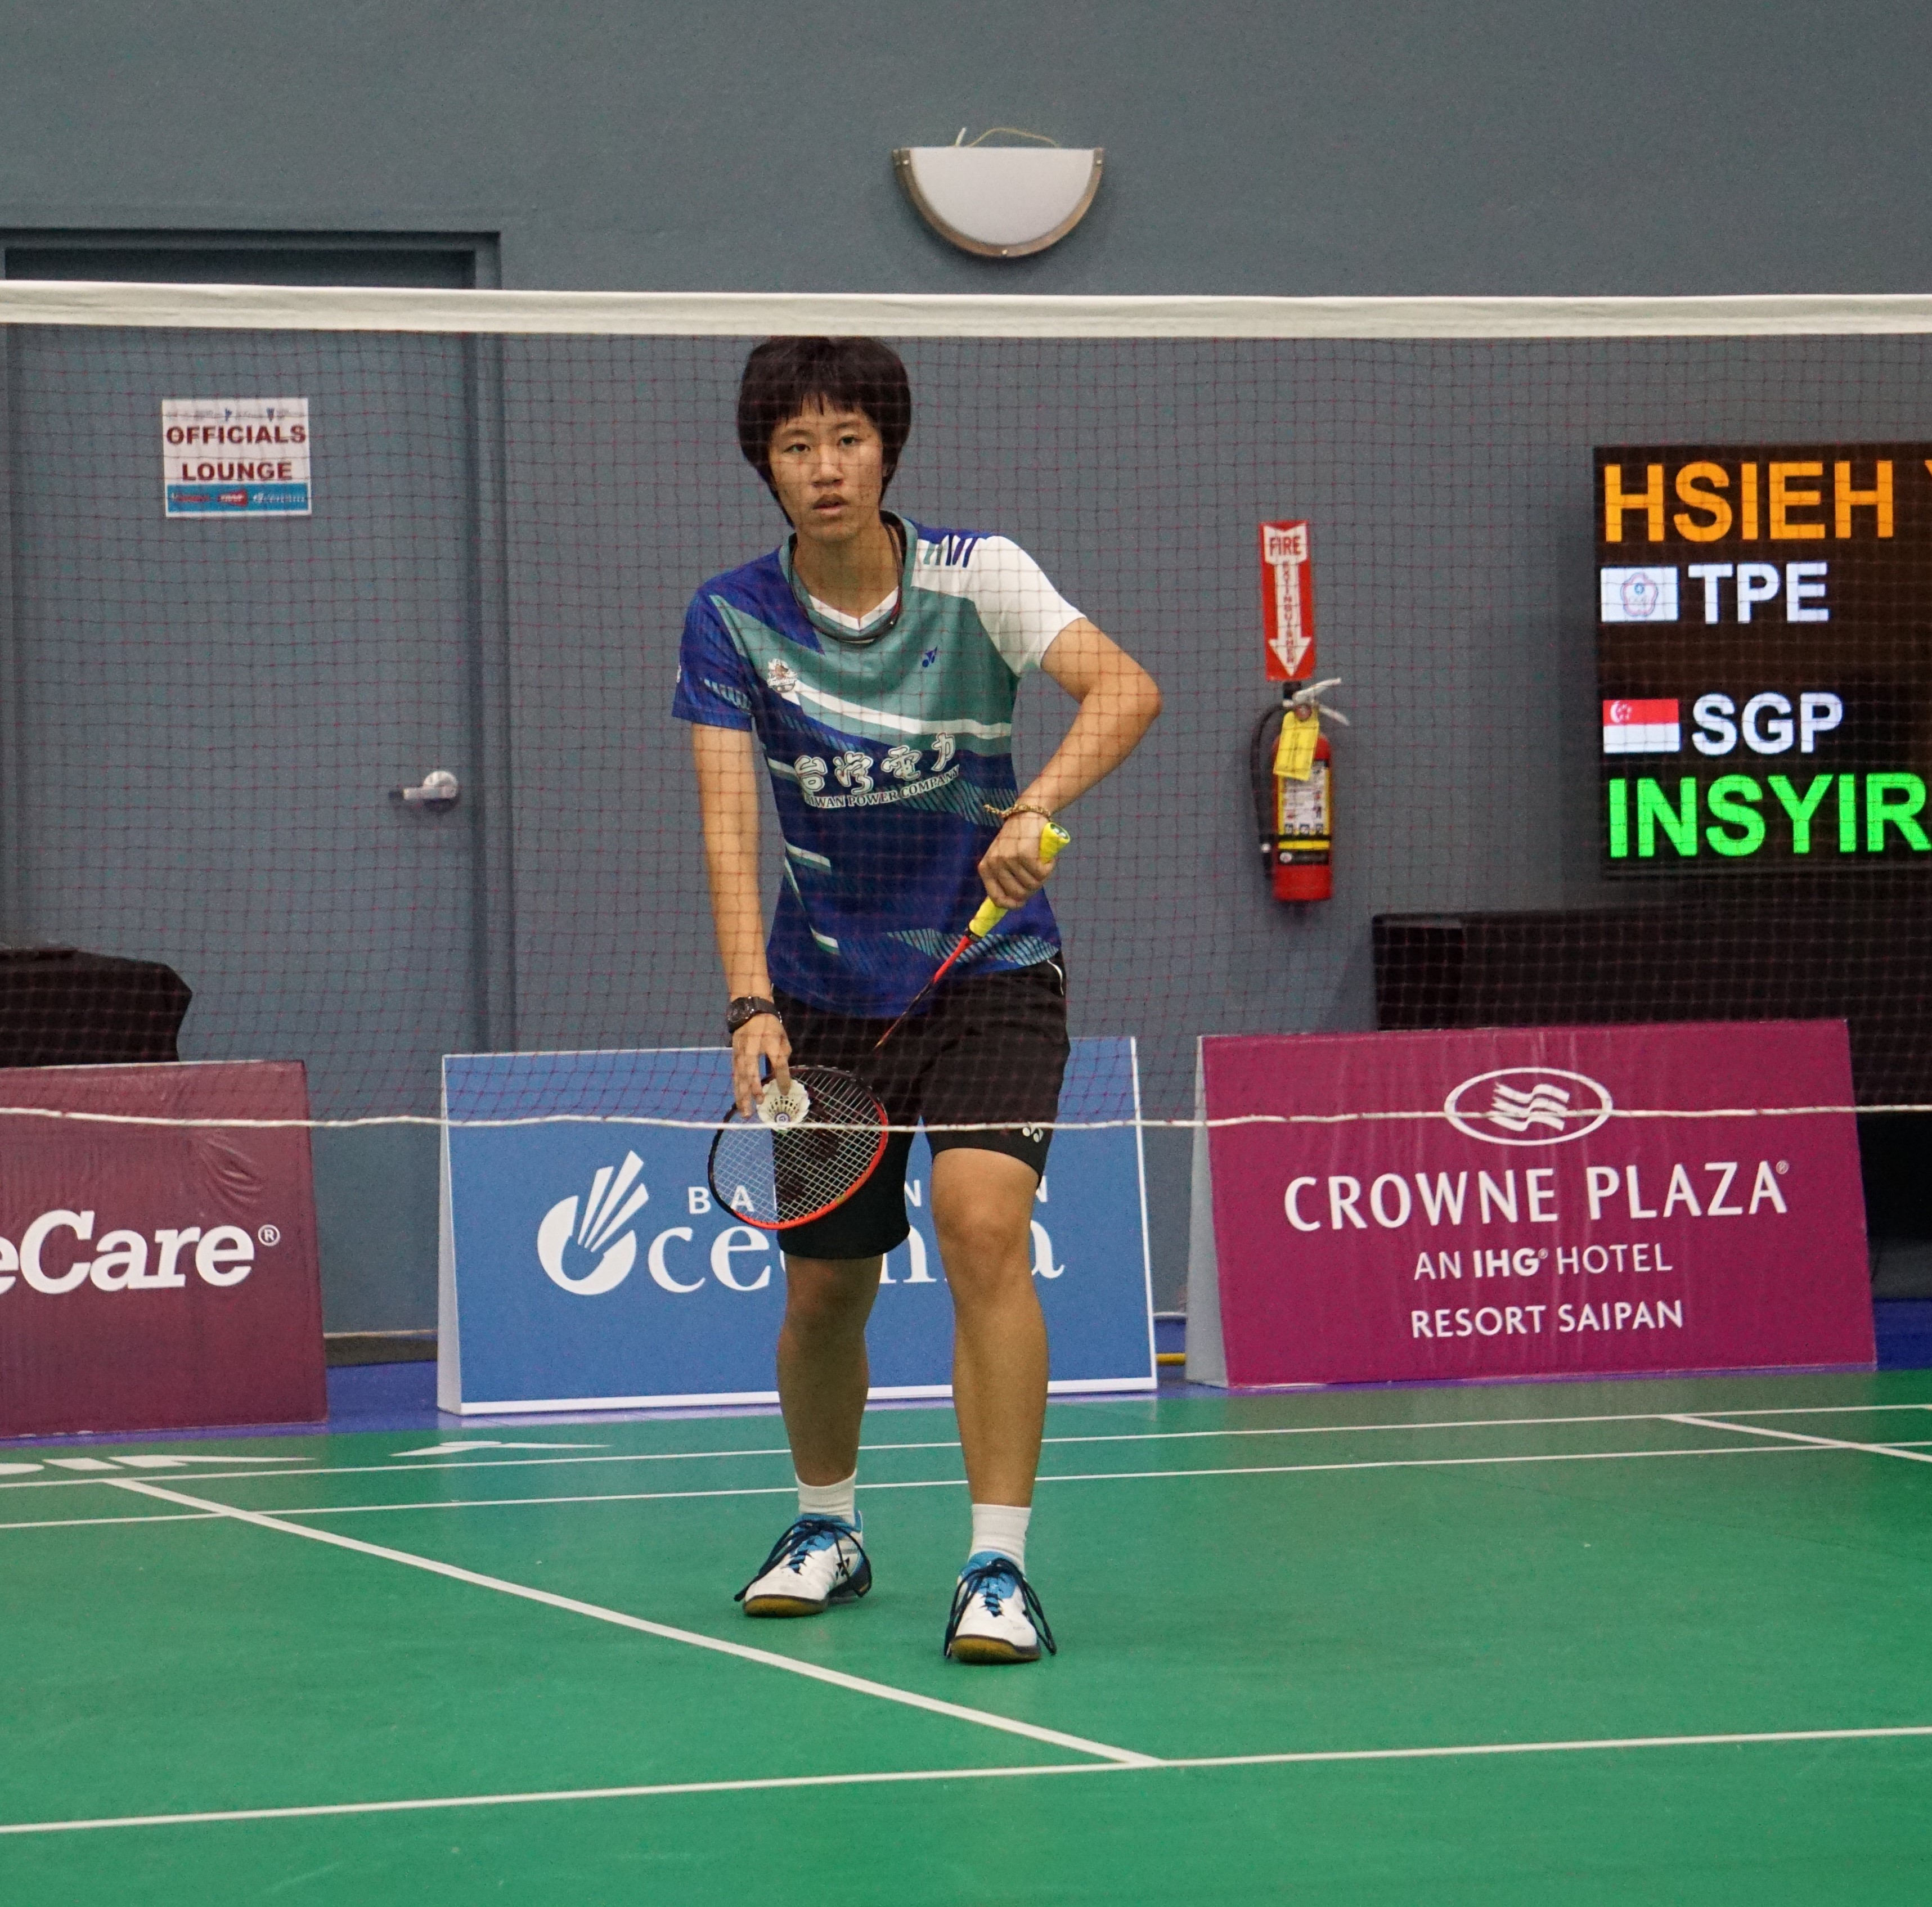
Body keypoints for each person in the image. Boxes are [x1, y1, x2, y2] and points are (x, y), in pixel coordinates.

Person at [673, 336, 1160, 1663]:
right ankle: (825, 1525)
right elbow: (728, 824)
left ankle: (996, 1566)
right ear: (765, 468)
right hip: (825, 998)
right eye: (794, 445)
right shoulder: (731, 618)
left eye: (845, 438)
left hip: (990, 970)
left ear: (886, 450)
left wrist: (1037, 808)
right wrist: (746, 1003)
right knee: (827, 1284)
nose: (823, 468)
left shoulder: (978, 575)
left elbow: (1125, 687)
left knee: (980, 1226)